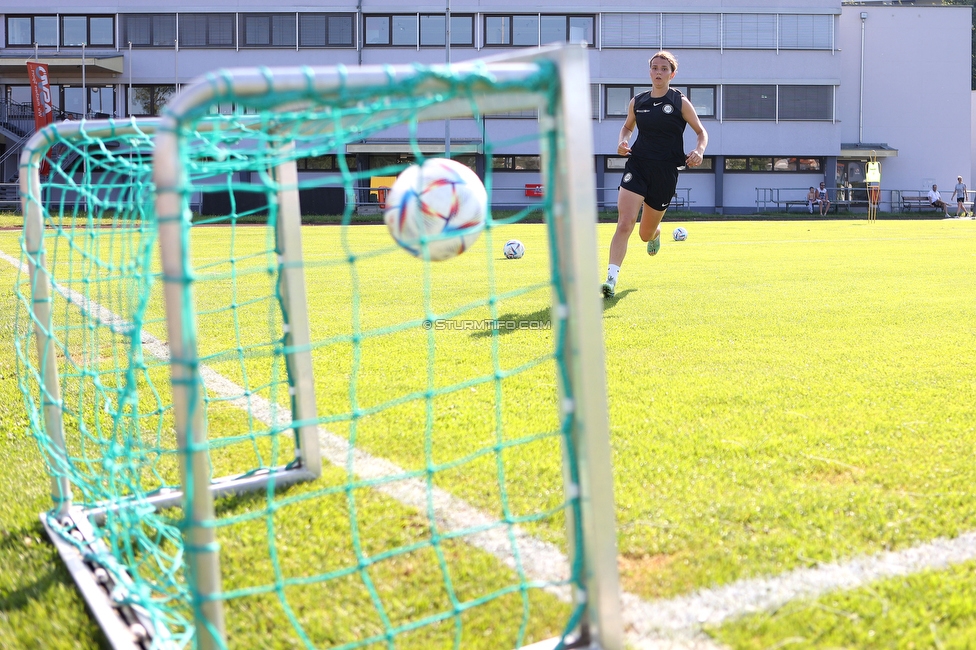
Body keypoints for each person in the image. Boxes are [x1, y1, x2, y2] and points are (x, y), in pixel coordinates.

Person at [601, 51, 708, 299]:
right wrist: (622, 142)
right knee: (625, 222)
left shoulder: (679, 101)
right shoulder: (638, 101)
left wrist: (699, 151)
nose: (658, 72)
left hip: (665, 172)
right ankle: (610, 279)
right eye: (654, 68)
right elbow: (628, 127)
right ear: (649, 71)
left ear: (672, 73)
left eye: (663, 68)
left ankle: (655, 233)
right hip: (637, 165)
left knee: (644, 234)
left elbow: (701, 132)